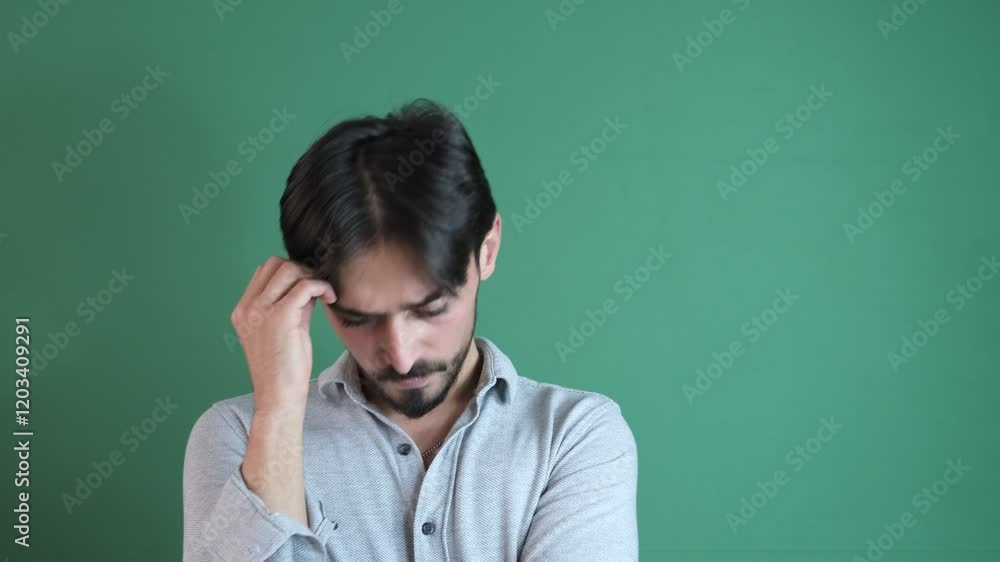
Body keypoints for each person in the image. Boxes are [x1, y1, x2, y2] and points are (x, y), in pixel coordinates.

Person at [181, 99, 639, 561]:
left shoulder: (575, 436)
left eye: (430, 310)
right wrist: (278, 415)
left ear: (487, 250)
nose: (400, 356)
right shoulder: (239, 437)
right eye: (357, 319)